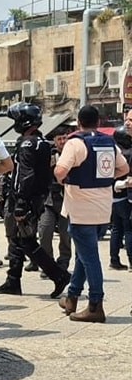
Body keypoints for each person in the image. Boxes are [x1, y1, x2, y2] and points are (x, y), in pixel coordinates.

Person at [55, 105, 129, 323]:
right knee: (83, 255)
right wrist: (103, 179)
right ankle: (72, 296)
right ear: (98, 122)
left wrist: (66, 180)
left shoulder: (75, 143)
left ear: (79, 122)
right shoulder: (109, 142)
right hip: (103, 209)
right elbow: (123, 169)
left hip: (81, 210)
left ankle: (96, 305)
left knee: (90, 258)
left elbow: (60, 171)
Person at [0, 102, 71, 297]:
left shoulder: (26, 144)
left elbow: (23, 175)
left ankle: (58, 275)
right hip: (38, 199)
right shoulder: (44, 143)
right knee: (21, 240)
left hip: (24, 199)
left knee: (22, 240)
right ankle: (14, 280)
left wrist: (20, 203)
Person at [33, 126, 72, 273]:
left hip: (66, 200)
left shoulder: (72, 154)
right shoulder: (49, 155)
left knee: (65, 235)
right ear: (54, 141)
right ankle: (48, 264)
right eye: (59, 139)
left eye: (64, 138)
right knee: (45, 231)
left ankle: (63, 263)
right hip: (49, 199)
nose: (62, 141)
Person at [108, 127, 132, 270]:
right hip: (125, 196)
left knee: (116, 229)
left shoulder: (113, 152)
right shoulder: (128, 153)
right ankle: (131, 261)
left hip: (113, 196)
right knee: (129, 230)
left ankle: (114, 260)